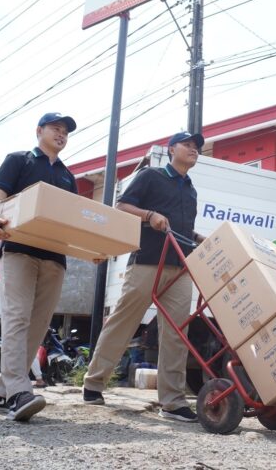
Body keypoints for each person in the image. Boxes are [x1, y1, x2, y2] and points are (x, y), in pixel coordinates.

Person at [82, 130, 206, 423]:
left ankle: (173, 402)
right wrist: (150, 215)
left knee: (177, 333)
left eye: (197, 147)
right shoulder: (151, 176)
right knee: (124, 322)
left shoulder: (190, 189)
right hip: (148, 261)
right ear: (171, 149)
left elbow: (183, 227)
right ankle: (93, 383)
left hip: (180, 267)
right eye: (187, 145)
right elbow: (122, 206)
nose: (194, 150)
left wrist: (198, 236)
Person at [0, 112, 78, 422]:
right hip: (19, 250)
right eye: (56, 128)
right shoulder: (20, 160)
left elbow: (73, 220)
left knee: (37, 328)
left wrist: (90, 250)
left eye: (65, 131)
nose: (61, 134)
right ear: (39, 131)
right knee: (17, 319)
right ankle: (18, 393)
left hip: (55, 258)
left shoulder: (68, 176)